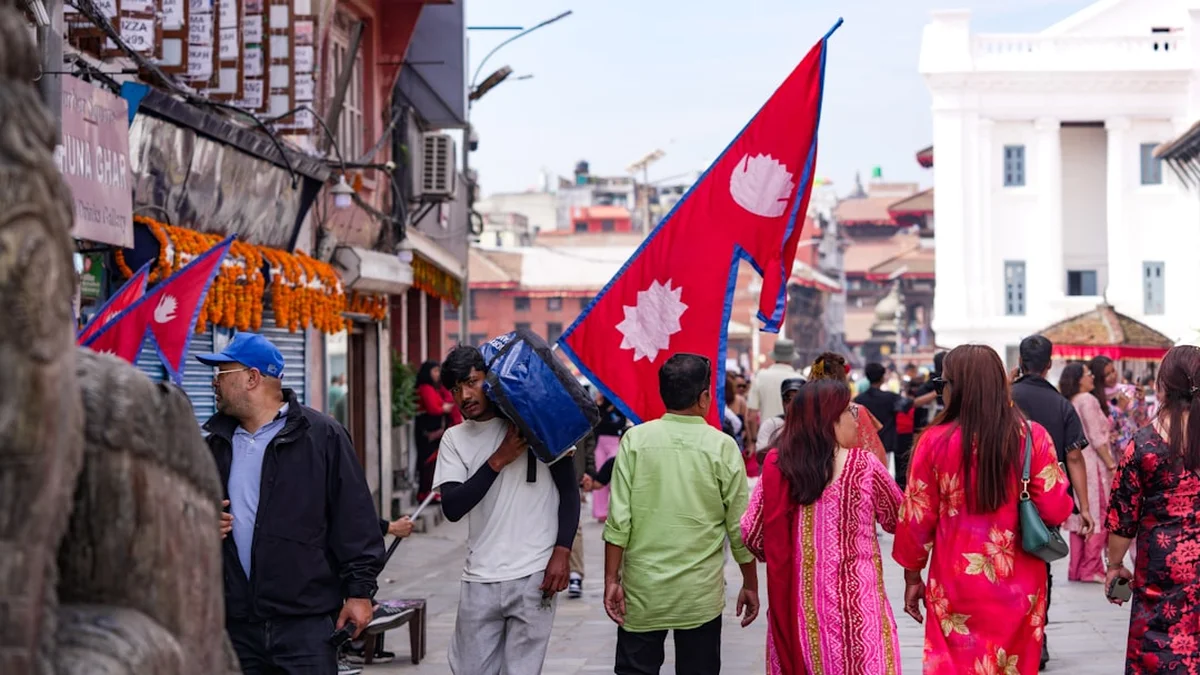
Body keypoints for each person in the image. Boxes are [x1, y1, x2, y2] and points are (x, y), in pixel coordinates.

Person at [204, 333, 385, 675]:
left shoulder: (323, 436)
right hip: (236, 627)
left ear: (252, 378)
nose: (214, 383)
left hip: (305, 626)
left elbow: (356, 521)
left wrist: (360, 593)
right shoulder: (215, 446)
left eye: (222, 374)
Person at [893, 345, 1073, 674]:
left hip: (955, 581)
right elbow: (1056, 508)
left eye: (941, 383)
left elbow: (916, 519)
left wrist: (912, 575)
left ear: (956, 388)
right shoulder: (1032, 437)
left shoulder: (933, 441)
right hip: (1019, 583)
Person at [603, 353, 759, 674]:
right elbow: (739, 527)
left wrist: (610, 579)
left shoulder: (635, 440)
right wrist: (750, 583)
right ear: (704, 398)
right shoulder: (722, 446)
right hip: (699, 595)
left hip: (643, 592)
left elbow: (619, 521)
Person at [431, 345, 580, 674]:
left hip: (534, 574)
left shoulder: (535, 422)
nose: (465, 395)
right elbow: (453, 508)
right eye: (455, 390)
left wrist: (562, 551)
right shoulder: (455, 439)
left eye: (471, 382)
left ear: (490, 378)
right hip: (480, 576)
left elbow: (569, 494)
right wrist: (498, 459)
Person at [741, 379, 904, 674]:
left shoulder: (779, 466)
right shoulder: (865, 466)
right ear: (830, 420)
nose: (856, 420)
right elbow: (898, 519)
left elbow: (752, 533)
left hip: (797, 612)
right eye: (849, 412)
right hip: (859, 612)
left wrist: (785, 554)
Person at [1106, 345, 1200, 674]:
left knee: (1156, 647)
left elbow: (1123, 517)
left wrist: (1114, 566)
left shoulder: (1144, 443)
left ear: (1163, 386)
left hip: (1162, 567)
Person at [1008, 337, 1094, 671]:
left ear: (1020, 361)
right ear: (1049, 364)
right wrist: (1084, 507)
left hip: (1003, 498)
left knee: (1006, 568)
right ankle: (1036, 639)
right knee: (1040, 568)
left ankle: (1009, 639)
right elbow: (1074, 457)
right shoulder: (1061, 405)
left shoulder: (1004, 398)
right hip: (1043, 503)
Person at [1061, 361, 1119, 584]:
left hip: (1078, 463)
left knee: (1080, 517)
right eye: (1087, 374)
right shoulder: (1088, 400)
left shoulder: (1072, 401)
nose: (1092, 377)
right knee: (1099, 514)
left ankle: (1076, 568)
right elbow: (1096, 437)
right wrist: (1111, 465)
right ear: (1079, 380)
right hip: (1094, 465)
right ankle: (1091, 567)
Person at [809, 352, 889, 466]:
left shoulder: (803, 408)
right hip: (848, 470)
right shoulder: (855, 411)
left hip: (809, 471)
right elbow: (875, 455)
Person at [747, 339, 802, 459]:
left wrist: (753, 441)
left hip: (766, 440)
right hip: (795, 442)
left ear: (774, 356)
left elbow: (751, 415)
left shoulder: (761, 377)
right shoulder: (800, 380)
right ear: (791, 358)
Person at [855, 362, 915, 466]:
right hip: (886, 444)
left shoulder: (859, 400)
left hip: (866, 445)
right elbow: (911, 403)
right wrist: (934, 394)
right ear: (882, 378)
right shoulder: (890, 397)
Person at [414, 360, 458, 502]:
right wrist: (444, 408)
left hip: (435, 430)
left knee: (433, 462)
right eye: (435, 371)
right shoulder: (425, 388)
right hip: (427, 431)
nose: (437, 374)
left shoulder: (434, 388)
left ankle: (430, 492)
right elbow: (433, 408)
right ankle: (425, 493)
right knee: (427, 462)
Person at [591, 392, 628, 522]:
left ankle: (617, 509)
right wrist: (599, 406)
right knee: (599, 476)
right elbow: (596, 422)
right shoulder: (597, 406)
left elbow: (620, 424)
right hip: (599, 443)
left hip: (615, 442)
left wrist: (606, 416)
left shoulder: (619, 406)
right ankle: (601, 511)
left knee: (616, 475)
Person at [755, 377, 804, 460]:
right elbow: (760, 458)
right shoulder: (772, 424)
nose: (792, 404)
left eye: (797, 399)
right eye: (788, 399)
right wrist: (787, 433)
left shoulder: (813, 425)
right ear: (782, 401)